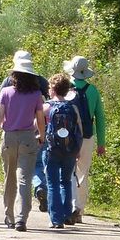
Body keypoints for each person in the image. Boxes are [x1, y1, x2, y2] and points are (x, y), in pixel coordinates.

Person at [0, 55, 46, 232]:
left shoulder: (6, 92)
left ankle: (9, 216)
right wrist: (42, 136)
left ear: (14, 75)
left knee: (9, 178)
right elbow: (40, 119)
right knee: (25, 179)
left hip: (8, 138)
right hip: (28, 138)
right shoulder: (36, 95)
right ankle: (22, 218)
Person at [0, 50, 50, 213]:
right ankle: (38, 188)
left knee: (10, 174)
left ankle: (10, 212)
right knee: (34, 167)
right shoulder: (41, 82)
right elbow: (47, 107)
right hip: (34, 131)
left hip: (10, 134)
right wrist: (42, 133)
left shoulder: (8, 82)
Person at [64, 55, 106, 224]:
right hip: (87, 136)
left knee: (68, 171)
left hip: (68, 136)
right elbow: (100, 117)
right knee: (83, 173)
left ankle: (69, 207)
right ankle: (79, 210)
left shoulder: (65, 88)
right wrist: (101, 143)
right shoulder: (93, 90)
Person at [42, 73, 83, 229]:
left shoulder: (47, 107)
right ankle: (66, 215)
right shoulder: (73, 107)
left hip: (51, 149)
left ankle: (56, 219)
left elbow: (35, 125)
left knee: (52, 183)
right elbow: (79, 130)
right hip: (70, 150)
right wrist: (77, 149)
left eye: (49, 87)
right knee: (66, 181)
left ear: (53, 89)